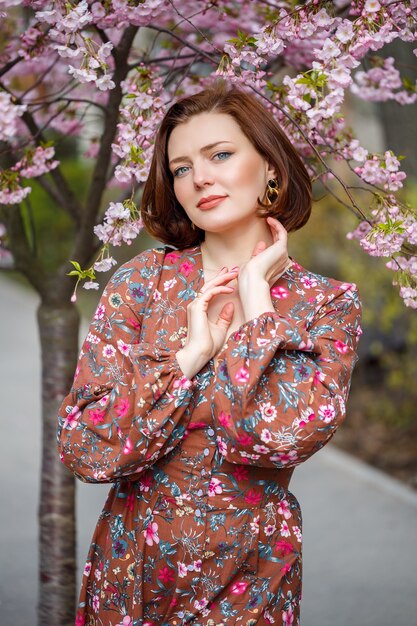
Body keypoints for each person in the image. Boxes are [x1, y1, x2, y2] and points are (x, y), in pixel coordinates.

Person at [58, 83, 362, 626]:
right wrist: (188, 360)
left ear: (270, 167)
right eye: (180, 168)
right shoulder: (141, 283)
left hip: (251, 578)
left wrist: (257, 304)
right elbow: (86, 448)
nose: (198, 178)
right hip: (132, 571)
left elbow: (276, 437)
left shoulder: (326, 305)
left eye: (220, 155)